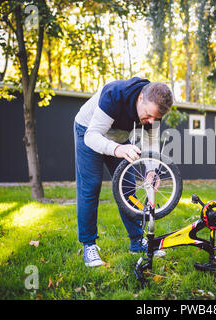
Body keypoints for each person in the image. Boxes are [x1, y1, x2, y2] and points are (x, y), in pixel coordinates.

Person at [74, 77, 173, 267]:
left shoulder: (153, 106)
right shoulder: (114, 95)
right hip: (89, 131)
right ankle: (89, 245)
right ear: (140, 97)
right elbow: (92, 136)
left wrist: (152, 171)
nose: (151, 121)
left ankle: (137, 241)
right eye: (148, 115)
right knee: (91, 186)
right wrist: (117, 149)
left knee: (126, 187)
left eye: (156, 118)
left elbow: (151, 142)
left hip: (118, 135)